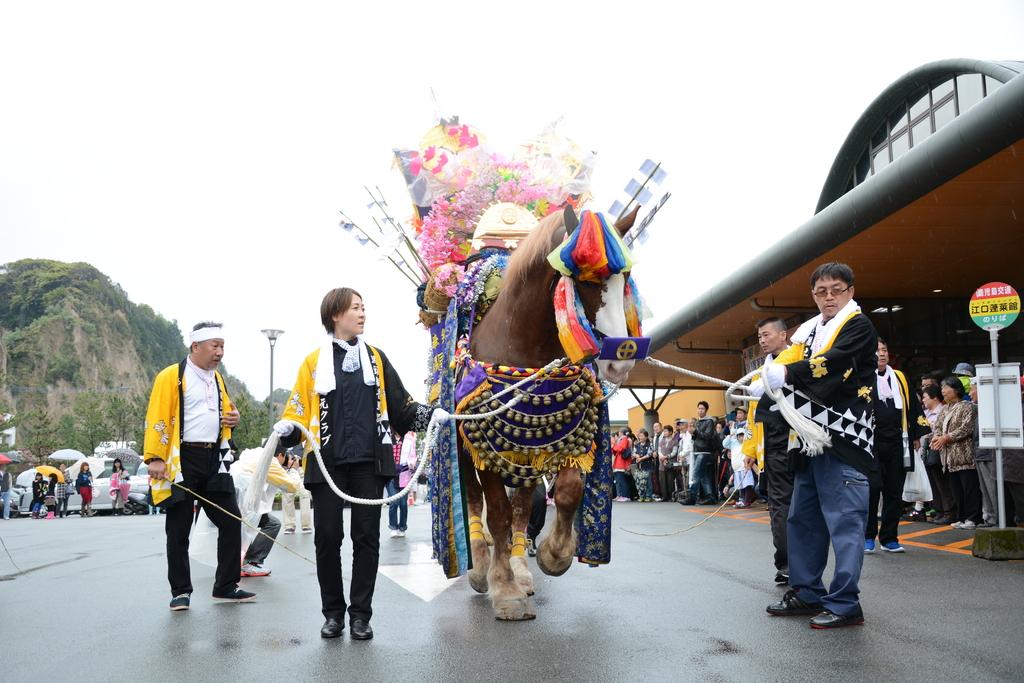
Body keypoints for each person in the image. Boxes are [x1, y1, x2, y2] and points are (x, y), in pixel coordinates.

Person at [273, 287, 439, 641]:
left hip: (368, 462)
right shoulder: (313, 362)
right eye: (355, 308)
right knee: (327, 539)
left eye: (364, 308)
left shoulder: (376, 359)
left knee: (367, 539)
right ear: (335, 315)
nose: (362, 314)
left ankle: (360, 616)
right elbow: (297, 412)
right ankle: (332, 614)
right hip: (326, 462)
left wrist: (432, 415)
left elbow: (402, 407)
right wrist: (287, 430)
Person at [765, 262, 877, 629]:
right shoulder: (810, 332)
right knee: (803, 520)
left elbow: (835, 364)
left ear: (850, 291)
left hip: (844, 438)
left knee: (845, 523)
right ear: (813, 294)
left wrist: (787, 375)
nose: (829, 296)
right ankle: (807, 590)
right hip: (810, 442)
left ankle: (845, 602)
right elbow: (790, 358)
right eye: (821, 291)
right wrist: (763, 379)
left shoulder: (858, 326)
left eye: (836, 289)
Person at [144, 321, 251, 611]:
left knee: (231, 520)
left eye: (222, 346)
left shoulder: (218, 379)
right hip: (182, 459)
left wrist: (233, 418)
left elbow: (227, 412)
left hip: (213, 459)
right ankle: (180, 591)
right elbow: (157, 415)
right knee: (178, 529)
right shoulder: (172, 376)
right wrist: (155, 457)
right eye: (214, 346)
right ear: (195, 346)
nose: (220, 352)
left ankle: (226, 585)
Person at [864, 339, 927, 553]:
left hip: (898, 441)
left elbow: (913, 407)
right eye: (877, 351)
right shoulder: (862, 376)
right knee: (872, 488)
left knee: (894, 490)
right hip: (870, 442)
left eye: (884, 350)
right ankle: (868, 535)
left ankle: (889, 537)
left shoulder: (899, 377)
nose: (881, 354)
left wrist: (917, 434)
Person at [747, 316, 795, 585]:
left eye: (766, 335)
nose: (763, 341)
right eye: (760, 337)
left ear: (783, 335)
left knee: (803, 506)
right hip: (774, 448)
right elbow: (752, 418)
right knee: (779, 507)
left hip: (801, 444)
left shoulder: (798, 361)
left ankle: (803, 563)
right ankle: (786, 563)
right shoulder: (758, 375)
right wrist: (750, 449)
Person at [236, 442, 302, 577]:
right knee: (273, 524)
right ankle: (250, 563)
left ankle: (234, 564)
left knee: (237, 531)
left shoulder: (254, 452)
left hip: (233, 499)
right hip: (246, 504)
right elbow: (292, 487)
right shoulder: (271, 462)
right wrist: (293, 469)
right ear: (280, 455)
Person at [930, 376, 981, 529]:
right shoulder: (945, 408)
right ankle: (962, 516)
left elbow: (967, 428)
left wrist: (946, 438)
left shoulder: (967, 406)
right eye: (942, 388)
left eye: (946, 387)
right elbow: (938, 426)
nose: (943, 391)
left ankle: (973, 518)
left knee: (969, 488)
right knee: (956, 489)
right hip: (949, 457)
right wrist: (937, 437)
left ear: (956, 389)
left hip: (964, 455)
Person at [920, 385, 957, 525]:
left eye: (925, 397)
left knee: (942, 483)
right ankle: (939, 511)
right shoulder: (926, 413)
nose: (923, 400)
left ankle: (949, 512)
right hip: (929, 450)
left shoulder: (942, 410)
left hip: (940, 450)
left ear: (934, 397)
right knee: (933, 483)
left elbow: (939, 430)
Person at [683, 402, 718, 505]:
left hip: (704, 451)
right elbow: (696, 438)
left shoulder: (710, 421)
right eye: (698, 408)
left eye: (702, 409)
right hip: (698, 451)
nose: (700, 410)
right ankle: (710, 496)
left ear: (706, 410)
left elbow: (707, 436)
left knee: (696, 474)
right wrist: (692, 433)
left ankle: (692, 498)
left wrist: (696, 431)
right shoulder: (698, 422)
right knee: (703, 475)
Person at [386, 431, 417, 537]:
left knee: (403, 504)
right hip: (391, 474)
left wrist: (412, 463)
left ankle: (402, 527)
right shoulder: (388, 436)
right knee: (394, 502)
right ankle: (393, 527)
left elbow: (413, 454)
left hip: (404, 474)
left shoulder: (409, 438)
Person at [281, 446, 312, 534]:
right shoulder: (282, 438)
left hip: (302, 469)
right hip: (288, 469)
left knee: (305, 495)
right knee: (287, 496)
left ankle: (306, 525)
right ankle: (289, 525)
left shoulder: (305, 439)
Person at [655, 423, 679, 503]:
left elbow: (674, 452)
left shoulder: (674, 441)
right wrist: (662, 457)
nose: (664, 433)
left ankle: (671, 496)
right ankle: (664, 496)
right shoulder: (662, 441)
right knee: (662, 480)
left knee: (670, 480)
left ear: (671, 432)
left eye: (666, 431)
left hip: (670, 463)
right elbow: (659, 450)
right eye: (664, 431)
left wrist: (666, 457)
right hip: (662, 463)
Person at [632, 429, 655, 501]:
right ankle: (641, 496)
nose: (640, 437)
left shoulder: (649, 444)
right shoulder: (636, 445)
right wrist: (637, 456)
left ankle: (649, 496)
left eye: (642, 436)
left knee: (648, 481)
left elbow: (650, 453)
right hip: (639, 466)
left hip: (647, 465)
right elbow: (633, 453)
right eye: (639, 436)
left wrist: (641, 458)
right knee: (639, 481)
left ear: (646, 437)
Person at [612, 428, 633, 502]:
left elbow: (621, 448)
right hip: (618, 461)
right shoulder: (620, 440)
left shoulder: (624, 439)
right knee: (618, 480)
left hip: (621, 462)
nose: (619, 433)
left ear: (622, 433)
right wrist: (615, 447)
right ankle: (620, 495)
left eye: (620, 432)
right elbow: (616, 450)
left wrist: (614, 446)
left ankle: (625, 495)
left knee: (622, 480)